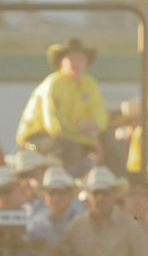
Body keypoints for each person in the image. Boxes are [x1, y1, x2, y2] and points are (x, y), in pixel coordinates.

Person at [15, 37, 107, 173]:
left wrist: (94, 134)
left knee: (108, 144)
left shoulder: (90, 84)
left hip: (72, 136)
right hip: (37, 137)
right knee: (69, 148)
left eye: (80, 59)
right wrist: (89, 140)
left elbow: (100, 117)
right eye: (71, 59)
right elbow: (55, 126)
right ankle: (62, 183)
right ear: (61, 62)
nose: (76, 63)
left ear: (86, 63)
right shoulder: (53, 84)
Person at [26, 166, 84, 246]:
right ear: (45, 197)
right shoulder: (37, 224)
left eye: (61, 192)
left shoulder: (82, 222)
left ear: (71, 195)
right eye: (51, 192)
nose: (56, 197)